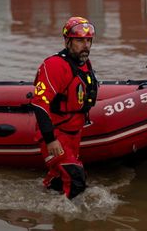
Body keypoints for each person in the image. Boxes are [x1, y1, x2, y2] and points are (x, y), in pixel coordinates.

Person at [30, 16, 99, 200]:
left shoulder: (84, 64)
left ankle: (49, 209)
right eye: (79, 40)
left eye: (88, 40)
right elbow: (40, 105)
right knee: (76, 178)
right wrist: (51, 139)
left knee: (61, 179)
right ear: (68, 41)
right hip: (56, 134)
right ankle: (72, 222)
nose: (85, 45)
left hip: (73, 132)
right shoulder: (54, 65)